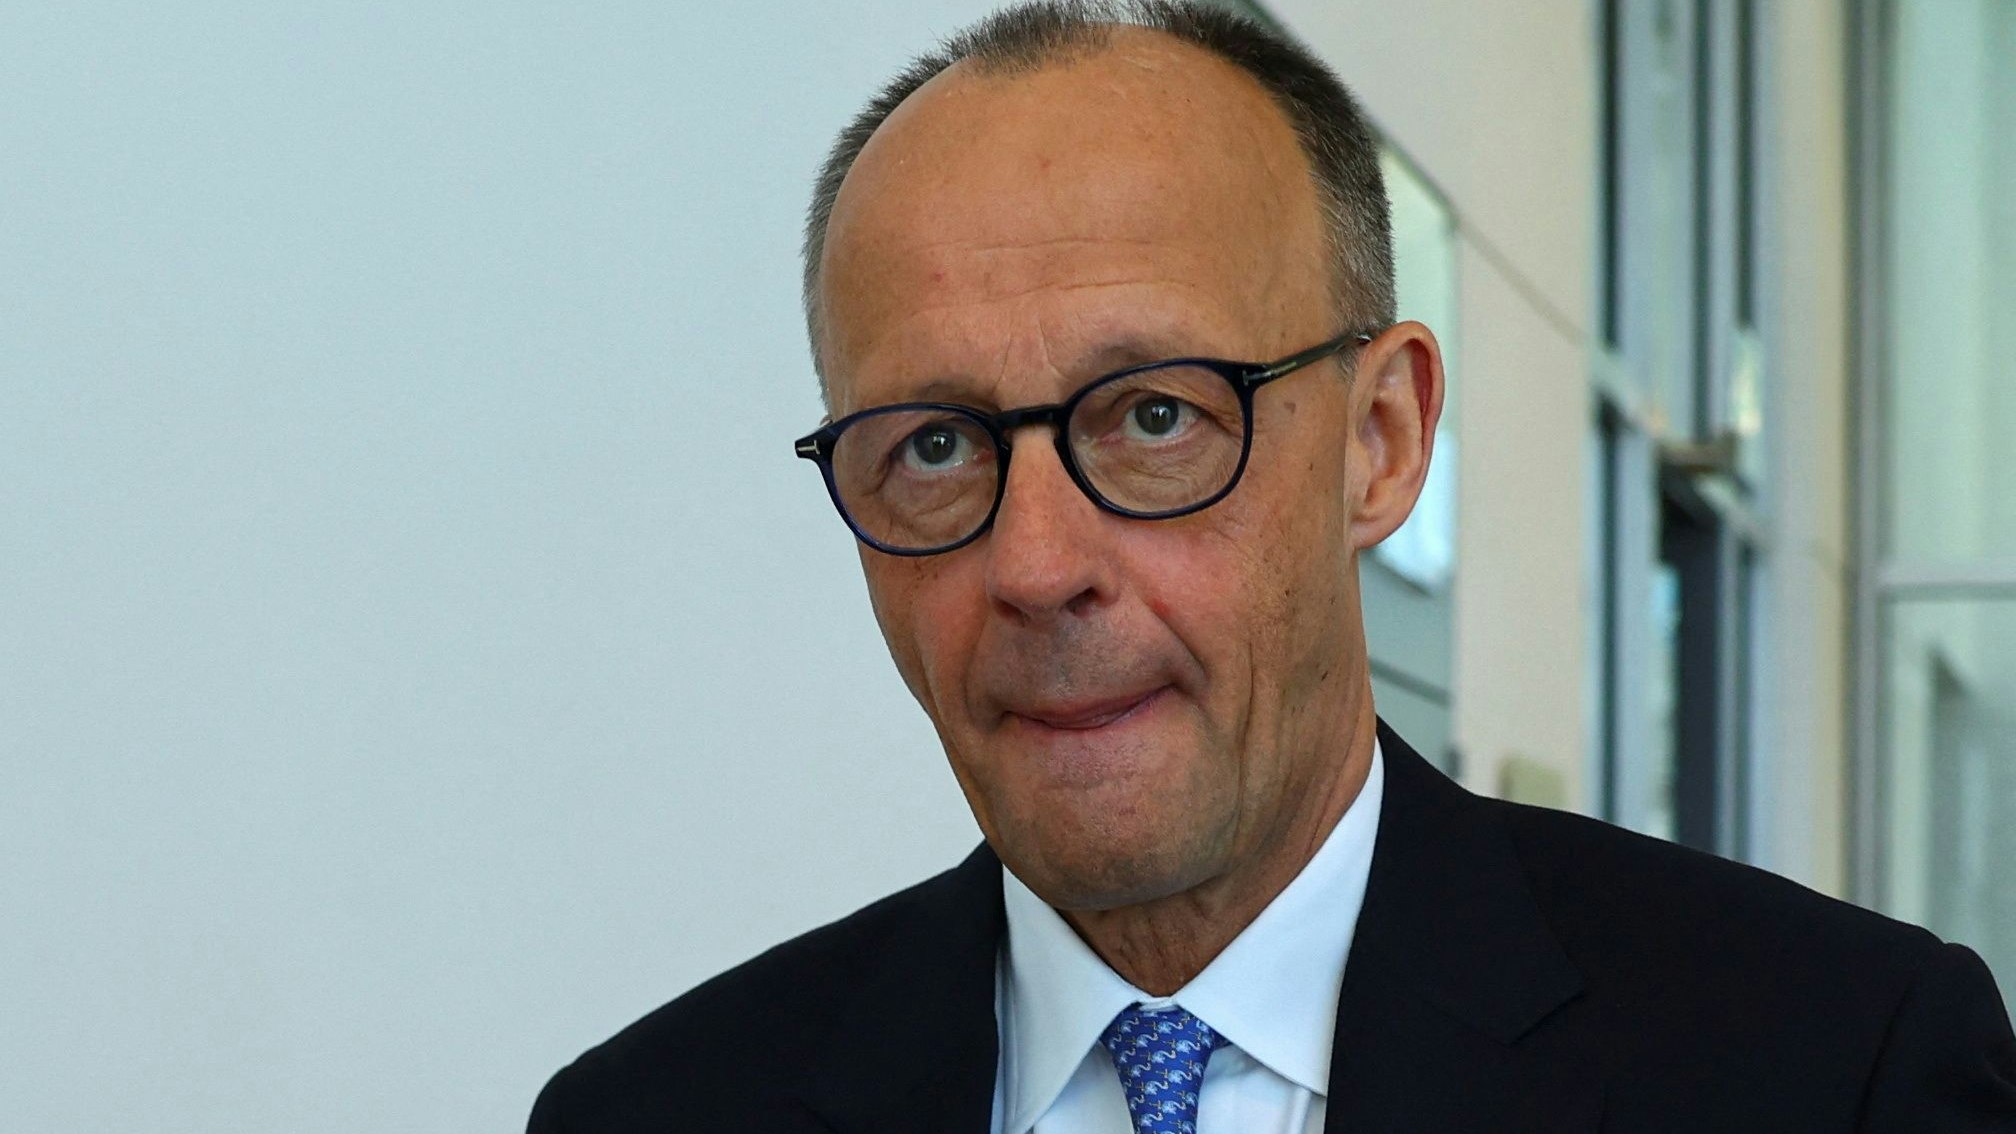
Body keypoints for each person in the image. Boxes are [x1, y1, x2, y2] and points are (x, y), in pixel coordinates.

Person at [528, 2, 2016, 1130]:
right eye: (933, 447)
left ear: (1380, 439)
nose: (1038, 564)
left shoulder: (1834, 1066)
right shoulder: (659, 1108)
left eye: (1157, 416)